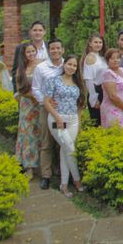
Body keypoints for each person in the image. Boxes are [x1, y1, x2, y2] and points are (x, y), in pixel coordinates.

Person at [43, 54, 86, 198]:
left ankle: (64, 185)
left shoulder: (77, 84)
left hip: (73, 120)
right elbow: (47, 102)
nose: (71, 67)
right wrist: (57, 117)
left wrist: (78, 123)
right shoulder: (54, 81)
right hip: (57, 120)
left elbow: (79, 106)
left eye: (74, 66)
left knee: (65, 151)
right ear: (64, 64)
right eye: (69, 64)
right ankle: (77, 181)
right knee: (70, 149)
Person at [31, 39, 65, 190]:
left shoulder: (67, 65)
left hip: (65, 110)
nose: (55, 51)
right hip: (47, 109)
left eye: (58, 48)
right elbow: (36, 89)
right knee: (46, 141)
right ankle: (46, 175)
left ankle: (60, 172)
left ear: (62, 50)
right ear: (48, 50)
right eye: (52, 49)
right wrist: (46, 102)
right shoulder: (41, 68)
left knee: (62, 141)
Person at [15, 43, 44, 180]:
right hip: (27, 106)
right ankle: (29, 167)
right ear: (24, 54)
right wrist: (34, 95)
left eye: (33, 51)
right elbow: (20, 89)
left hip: (40, 105)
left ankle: (41, 165)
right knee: (28, 136)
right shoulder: (21, 69)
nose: (31, 54)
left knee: (41, 134)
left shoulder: (42, 64)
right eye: (28, 52)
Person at [101, 48, 123, 130]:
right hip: (113, 109)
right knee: (116, 133)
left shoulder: (122, 70)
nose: (115, 60)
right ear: (107, 60)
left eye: (117, 58)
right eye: (112, 58)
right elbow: (112, 96)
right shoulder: (108, 73)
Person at [12, 21, 48, 93]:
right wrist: (16, 92)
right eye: (35, 30)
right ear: (30, 32)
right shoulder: (21, 48)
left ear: (44, 32)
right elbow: (15, 71)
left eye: (40, 30)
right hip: (26, 93)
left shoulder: (51, 47)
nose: (37, 33)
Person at [81, 33, 107, 127]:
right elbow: (89, 80)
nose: (98, 44)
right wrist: (94, 98)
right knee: (97, 124)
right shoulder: (90, 58)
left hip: (104, 91)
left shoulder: (101, 58)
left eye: (100, 42)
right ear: (90, 44)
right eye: (95, 42)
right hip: (96, 91)